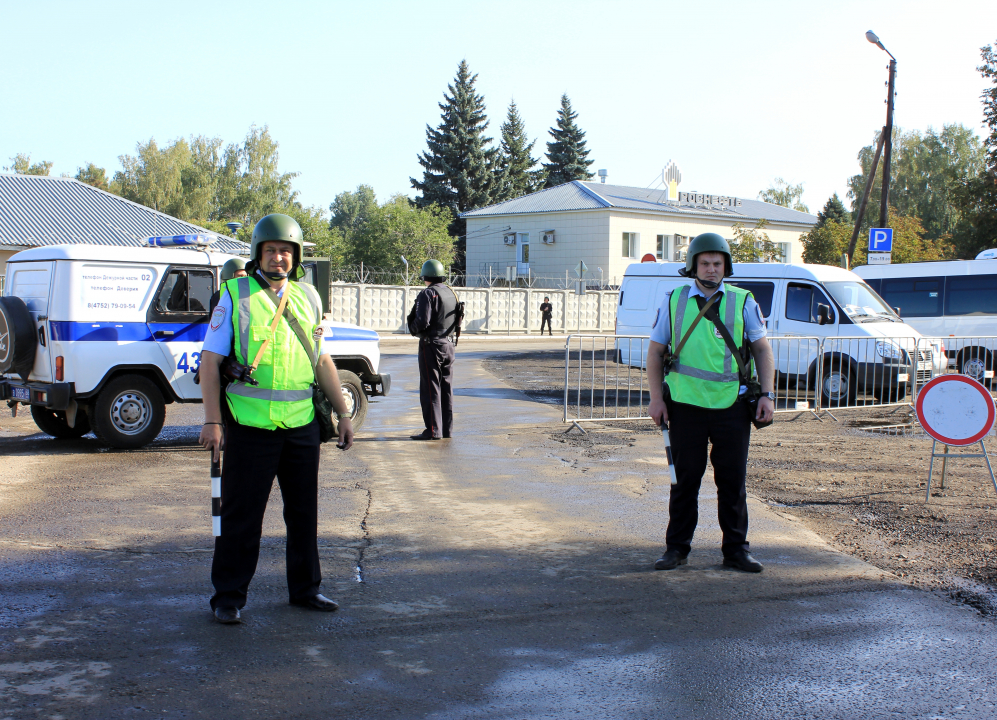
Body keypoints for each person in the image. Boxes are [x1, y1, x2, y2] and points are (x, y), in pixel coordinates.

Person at [198, 213, 355, 625]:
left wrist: (343, 412)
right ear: (257, 254)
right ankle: (228, 597)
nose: (279, 258)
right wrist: (213, 421)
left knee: (303, 513)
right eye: (271, 250)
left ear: (296, 256)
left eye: (286, 251)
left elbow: (323, 361)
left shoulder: (310, 298)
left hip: (301, 425)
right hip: (250, 427)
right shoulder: (234, 294)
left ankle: (306, 589)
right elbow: (211, 362)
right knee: (241, 516)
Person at [645, 232, 775, 573]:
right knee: (685, 481)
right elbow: (656, 353)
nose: (712, 269)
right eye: (705, 263)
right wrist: (656, 399)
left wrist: (767, 395)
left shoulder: (743, 300)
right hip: (685, 406)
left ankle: (736, 550)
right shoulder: (674, 300)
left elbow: (762, 349)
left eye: (718, 263)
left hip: (732, 406)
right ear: (693, 266)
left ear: (725, 266)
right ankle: (676, 549)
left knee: (732, 481)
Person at [407, 259, 457, 440]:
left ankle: (433, 430)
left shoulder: (427, 294)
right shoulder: (451, 292)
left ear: (425, 275)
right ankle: (446, 430)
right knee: (446, 388)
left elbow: (422, 322)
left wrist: (413, 329)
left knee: (430, 388)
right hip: (448, 344)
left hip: (431, 345)